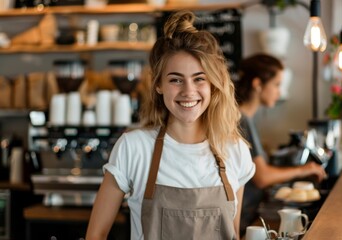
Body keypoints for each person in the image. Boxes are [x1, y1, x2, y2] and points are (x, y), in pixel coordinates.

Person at [86, 10, 255, 240]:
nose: (188, 91)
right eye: (175, 79)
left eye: (199, 79)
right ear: (158, 85)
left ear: (213, 84)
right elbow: (95, 235)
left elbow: (232, 234)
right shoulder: (134, 148)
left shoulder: (235, 151)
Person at [234, 53, 327, 236]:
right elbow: (262, 177)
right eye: (276, 85)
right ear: (257, 84)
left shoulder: (247, 119)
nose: (280, 92)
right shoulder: (241, 120)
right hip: (244, 219)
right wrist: (304, 169)